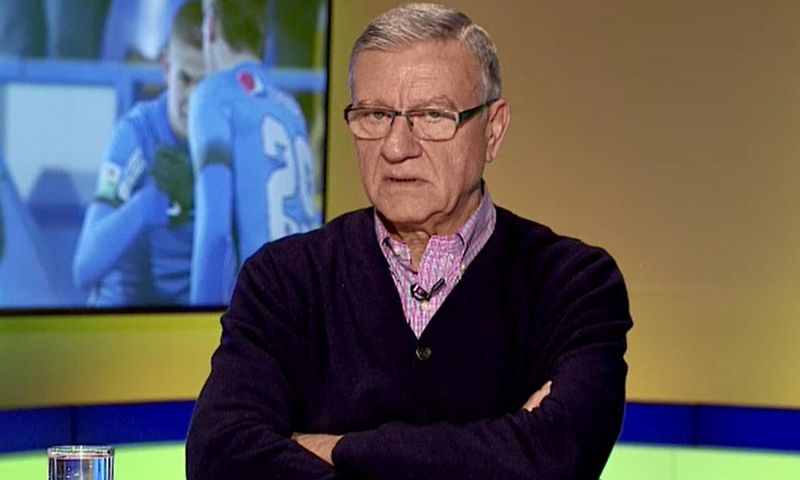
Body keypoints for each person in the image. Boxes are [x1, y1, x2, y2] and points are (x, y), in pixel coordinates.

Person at [186, 3, 633, 479]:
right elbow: (219, 457)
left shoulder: (574, 284)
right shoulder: (283, 281)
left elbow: (556, 459)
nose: (397, 147)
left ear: (493, 130)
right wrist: (497, 449)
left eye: (432, 115)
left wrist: (336, 448)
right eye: (375, 114)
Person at [188, 0, 319, 306]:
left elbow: (215, 231)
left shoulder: (214, 94)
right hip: (307, 304)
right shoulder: (291, 110)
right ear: (265, 38)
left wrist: (195, 316)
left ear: (211, 26)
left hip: (261, 310)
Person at [73, 0, 204, 306]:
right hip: (127, 315)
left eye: (206, 83)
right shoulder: (136, 133)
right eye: (186, 79)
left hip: (197, 318)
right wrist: (148, 203)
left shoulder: (235, 139)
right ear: (166, 69)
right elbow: (84, 268)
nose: (195, 98)